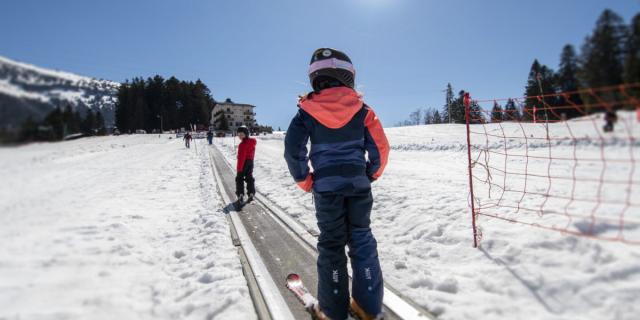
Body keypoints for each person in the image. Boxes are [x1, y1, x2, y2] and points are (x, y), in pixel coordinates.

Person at [284, 48, 390, 320]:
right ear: (349, 77)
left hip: (326, 189)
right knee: (362, 238)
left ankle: (332, 311)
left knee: (332, 243)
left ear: (315, 79)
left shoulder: (306, 113)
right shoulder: (362, 111)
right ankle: (366, 306)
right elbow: (380, 147)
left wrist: (305, 179)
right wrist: (370, 174)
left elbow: (293, 148)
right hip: (358, 186)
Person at [236, 126, 256, 203]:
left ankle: (240, 194)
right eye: (239, 134)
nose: (240, 136)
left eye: (242, 134)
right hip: (250, 162)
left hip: (243, 163)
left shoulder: (242, 145)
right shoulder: (252, 142)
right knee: (249, 177)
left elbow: (242, 157)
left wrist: (239, 168)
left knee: (239, 178)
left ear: (246, 134)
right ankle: (251, 193)